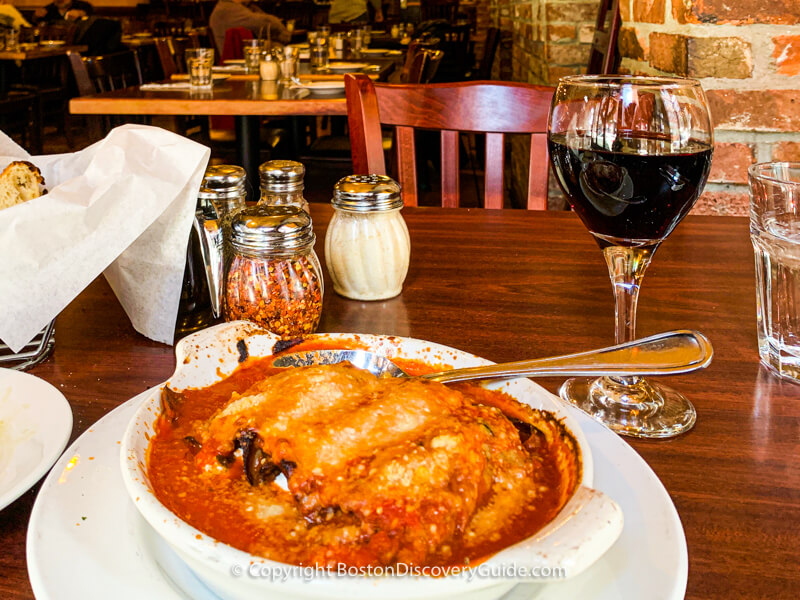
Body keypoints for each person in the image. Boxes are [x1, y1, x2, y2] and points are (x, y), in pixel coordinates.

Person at [209, 0, 290, 54]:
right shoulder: (227, 9)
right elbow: (267, 23)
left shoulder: (229, 7)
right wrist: (283, 33)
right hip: (236, 60)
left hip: (243, 55)